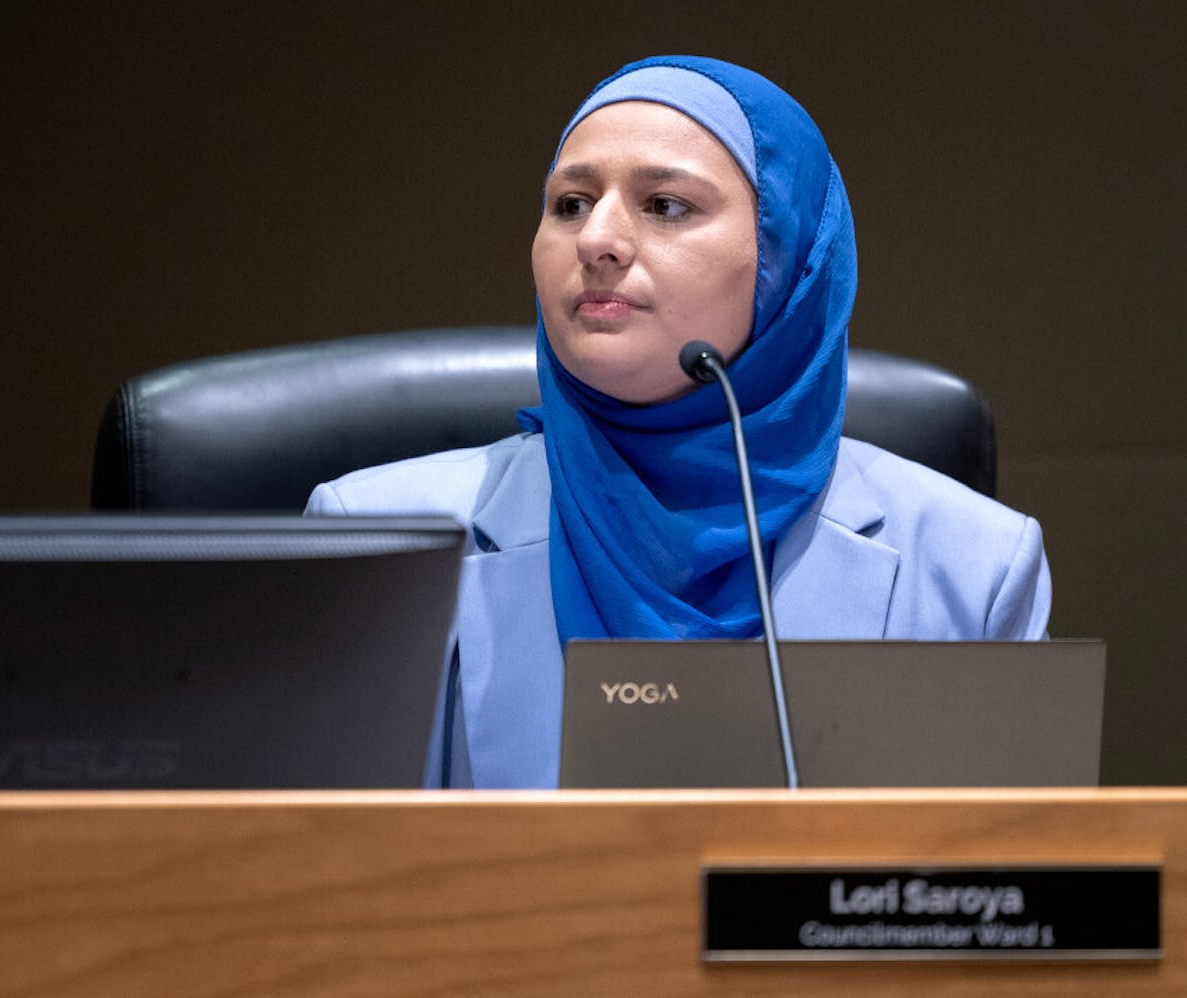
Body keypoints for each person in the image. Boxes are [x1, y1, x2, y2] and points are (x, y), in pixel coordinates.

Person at [305, 55, 1051, 789]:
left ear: (785, 259)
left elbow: (1009, 891)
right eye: (570, 203)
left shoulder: (973, 567)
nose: (596, 238)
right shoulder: (378, 539)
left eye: (664, 205)